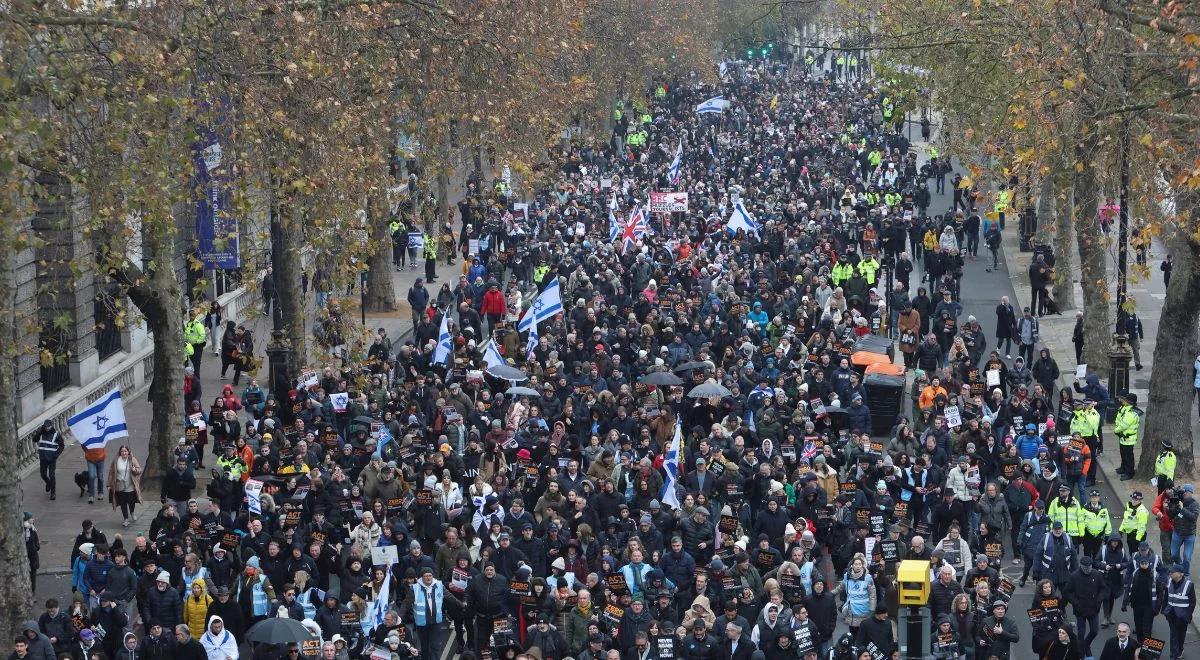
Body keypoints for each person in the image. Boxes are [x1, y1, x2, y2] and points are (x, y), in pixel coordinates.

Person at [1163, 563, 1195, 660]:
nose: (1170, 573)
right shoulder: (1169, 581)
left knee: (1181, 635)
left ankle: (1180, 649)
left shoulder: (1189, 585)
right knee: (1173, 635)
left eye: (1173, 572)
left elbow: (1192, 602)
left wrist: (1188, 616)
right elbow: (1166, 597)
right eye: (1170, 572)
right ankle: (1173, 656)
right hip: (1171, 614)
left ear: (1181, 574)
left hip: (1182, 616)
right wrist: (1164, 610)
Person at [1113, 393, 1140, 480]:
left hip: (1129, 438)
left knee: (1128, 456)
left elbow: (1124, 425)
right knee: (1123, 453)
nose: (1123, 401)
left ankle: (1129, 473)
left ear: (1129, 402)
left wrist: (1116, 430)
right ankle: (1123, 468)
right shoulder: (1126, 409)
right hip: (1123, 436)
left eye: (1126, 400)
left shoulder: (1131, 413)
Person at [35, 420, 64, 500]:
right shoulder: (41, 432)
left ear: (51, 426)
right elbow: (34, 440)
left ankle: (53, 493)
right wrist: (39, 432)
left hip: (52, 458)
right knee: (43, 475)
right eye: (46, 426)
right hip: (43, 458)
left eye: (48, 426)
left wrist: (56, 454)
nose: (47, 428)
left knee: (52, 475)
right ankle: (48, 483)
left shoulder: (56, 434)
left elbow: (62, 446)